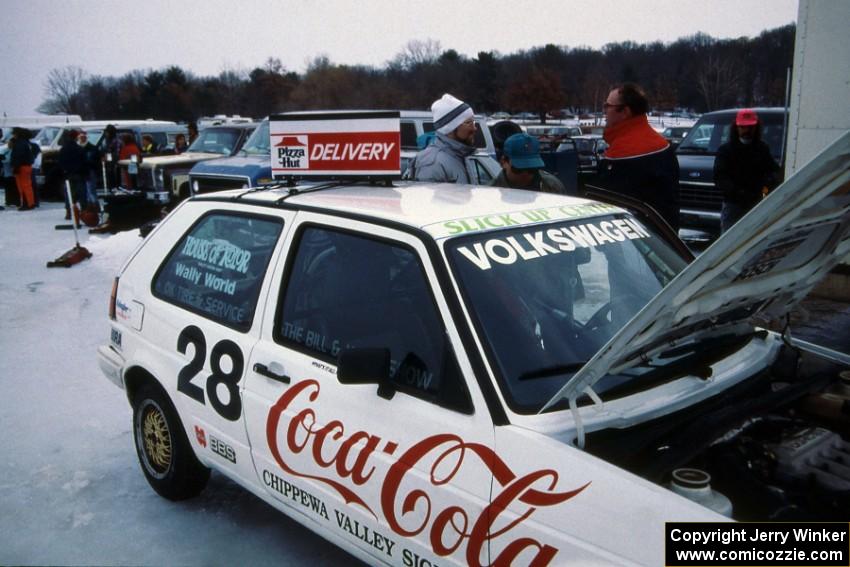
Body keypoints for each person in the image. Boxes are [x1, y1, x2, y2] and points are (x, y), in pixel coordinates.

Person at [596, 83, 680, 230]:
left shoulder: (623, 153)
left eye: (607, 106)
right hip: (663, 237)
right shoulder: (661, 144)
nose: (604, 111)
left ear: (625, 111)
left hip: (631, 238)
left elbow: (605, 205)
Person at [714, 109, 781, 233]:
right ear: (736, 127)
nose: (746, 131)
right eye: (743, 127)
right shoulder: (726, 150)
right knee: (729, 242)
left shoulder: (762, 149)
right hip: (734, 205)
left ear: (756, 128)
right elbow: (720, 177)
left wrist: (766, 187)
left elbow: (775, 172)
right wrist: (738, 192)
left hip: (757, 204)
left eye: (750, 127)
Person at [411, 94, 478, 184]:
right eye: (469, 123)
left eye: (473, 122)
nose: (474, 128)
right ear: (450, 129)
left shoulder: (460, 156)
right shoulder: (433, 163)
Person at [491, 133, 566, 194]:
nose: (525, 174)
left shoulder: (552, 187)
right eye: (518, 169)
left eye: (532, 170)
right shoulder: (491, 192)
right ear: (503, 162)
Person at [58, 129, 88, 219]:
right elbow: (84, 162)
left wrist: (64, 170)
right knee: (82, 194)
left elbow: (60, 162)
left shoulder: (63, 149)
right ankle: (84, 212)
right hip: (79, 174)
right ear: (76, 137)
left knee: (69, 194)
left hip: (68, 174)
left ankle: (68, 212)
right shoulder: (79, 149)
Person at [10, 127, 36, 210]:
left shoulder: (19, 144)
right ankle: (30, 202)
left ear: (17, 134)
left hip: (21, 167)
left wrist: (16, 167)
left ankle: (26, 204)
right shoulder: (26, 142)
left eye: (13, 134)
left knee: (22, 186)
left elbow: (18, 156)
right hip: (27, 166)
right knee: (28, 185)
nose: (13, 135)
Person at [78, 131, 100, 206]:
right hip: (82, 171)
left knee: (91, 190)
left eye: (83, 137)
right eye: (80, 137)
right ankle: (89, 206)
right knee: (84, 191)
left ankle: (95, 206)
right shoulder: (78, 148)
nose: (82, 138)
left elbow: (96, 160)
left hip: (90, 171)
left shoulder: (92, 148)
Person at [100, 124, 123, 190]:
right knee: (110, 175)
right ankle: (112, 187)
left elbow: (116, 152)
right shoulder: (108, 140)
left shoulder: (115, 141)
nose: (106, 134)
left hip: (115, 162)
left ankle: (115, 187)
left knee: (114, 175)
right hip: (111, 161)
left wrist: (107, 157)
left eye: (107, 132)